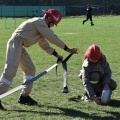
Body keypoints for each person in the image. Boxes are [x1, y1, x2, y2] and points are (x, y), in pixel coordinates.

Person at [0, 9, 77, 110]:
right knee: (10, 72)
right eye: (53, 23)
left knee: (30, 69)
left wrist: (56, 55)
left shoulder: (40, 28)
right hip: (15, 43)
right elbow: (52, 37)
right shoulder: (39, 22)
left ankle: (24, 97)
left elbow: (44, 45)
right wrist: (67, 49)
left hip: (20, 45)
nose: (53, 26)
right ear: (49, 18)